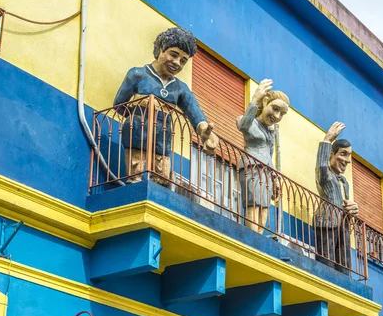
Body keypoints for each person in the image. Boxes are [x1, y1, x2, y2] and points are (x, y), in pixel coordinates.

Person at [113, 27, 218, 185]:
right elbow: (119, 105)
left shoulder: (180, 88)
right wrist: (139, 107)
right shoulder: (137, 74)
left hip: (163, 138)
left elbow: (193, 110)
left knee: (161, 177)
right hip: (136, 133)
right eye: (173, 55)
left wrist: (204, 129)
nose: (177, 63)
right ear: (160, 49)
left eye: (183, 60)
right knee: (135, 174)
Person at [236, 79, 289, 233]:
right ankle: (252, 236)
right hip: (251, 167)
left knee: (264, 207)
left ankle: (258, 236)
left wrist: (276, 177)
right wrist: (255, 100)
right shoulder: (250, 122)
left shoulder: (270, 133)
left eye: (282, 114)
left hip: (266, 172)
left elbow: (269, 156)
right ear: (265, 102)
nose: (277, 116)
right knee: (254, 204)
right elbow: (243, 125)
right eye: (275, 109)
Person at [314, 121, 359, 273]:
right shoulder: (325, 174)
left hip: (343, 225)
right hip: (326, 221)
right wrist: (327, 140)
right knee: (326, 262)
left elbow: (345, 202)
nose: (347, 160)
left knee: (345, 266)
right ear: (331, 155)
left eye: (349, 156)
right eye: (343, 154)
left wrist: (353, 209)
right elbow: (321, 165)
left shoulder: (344, 182)